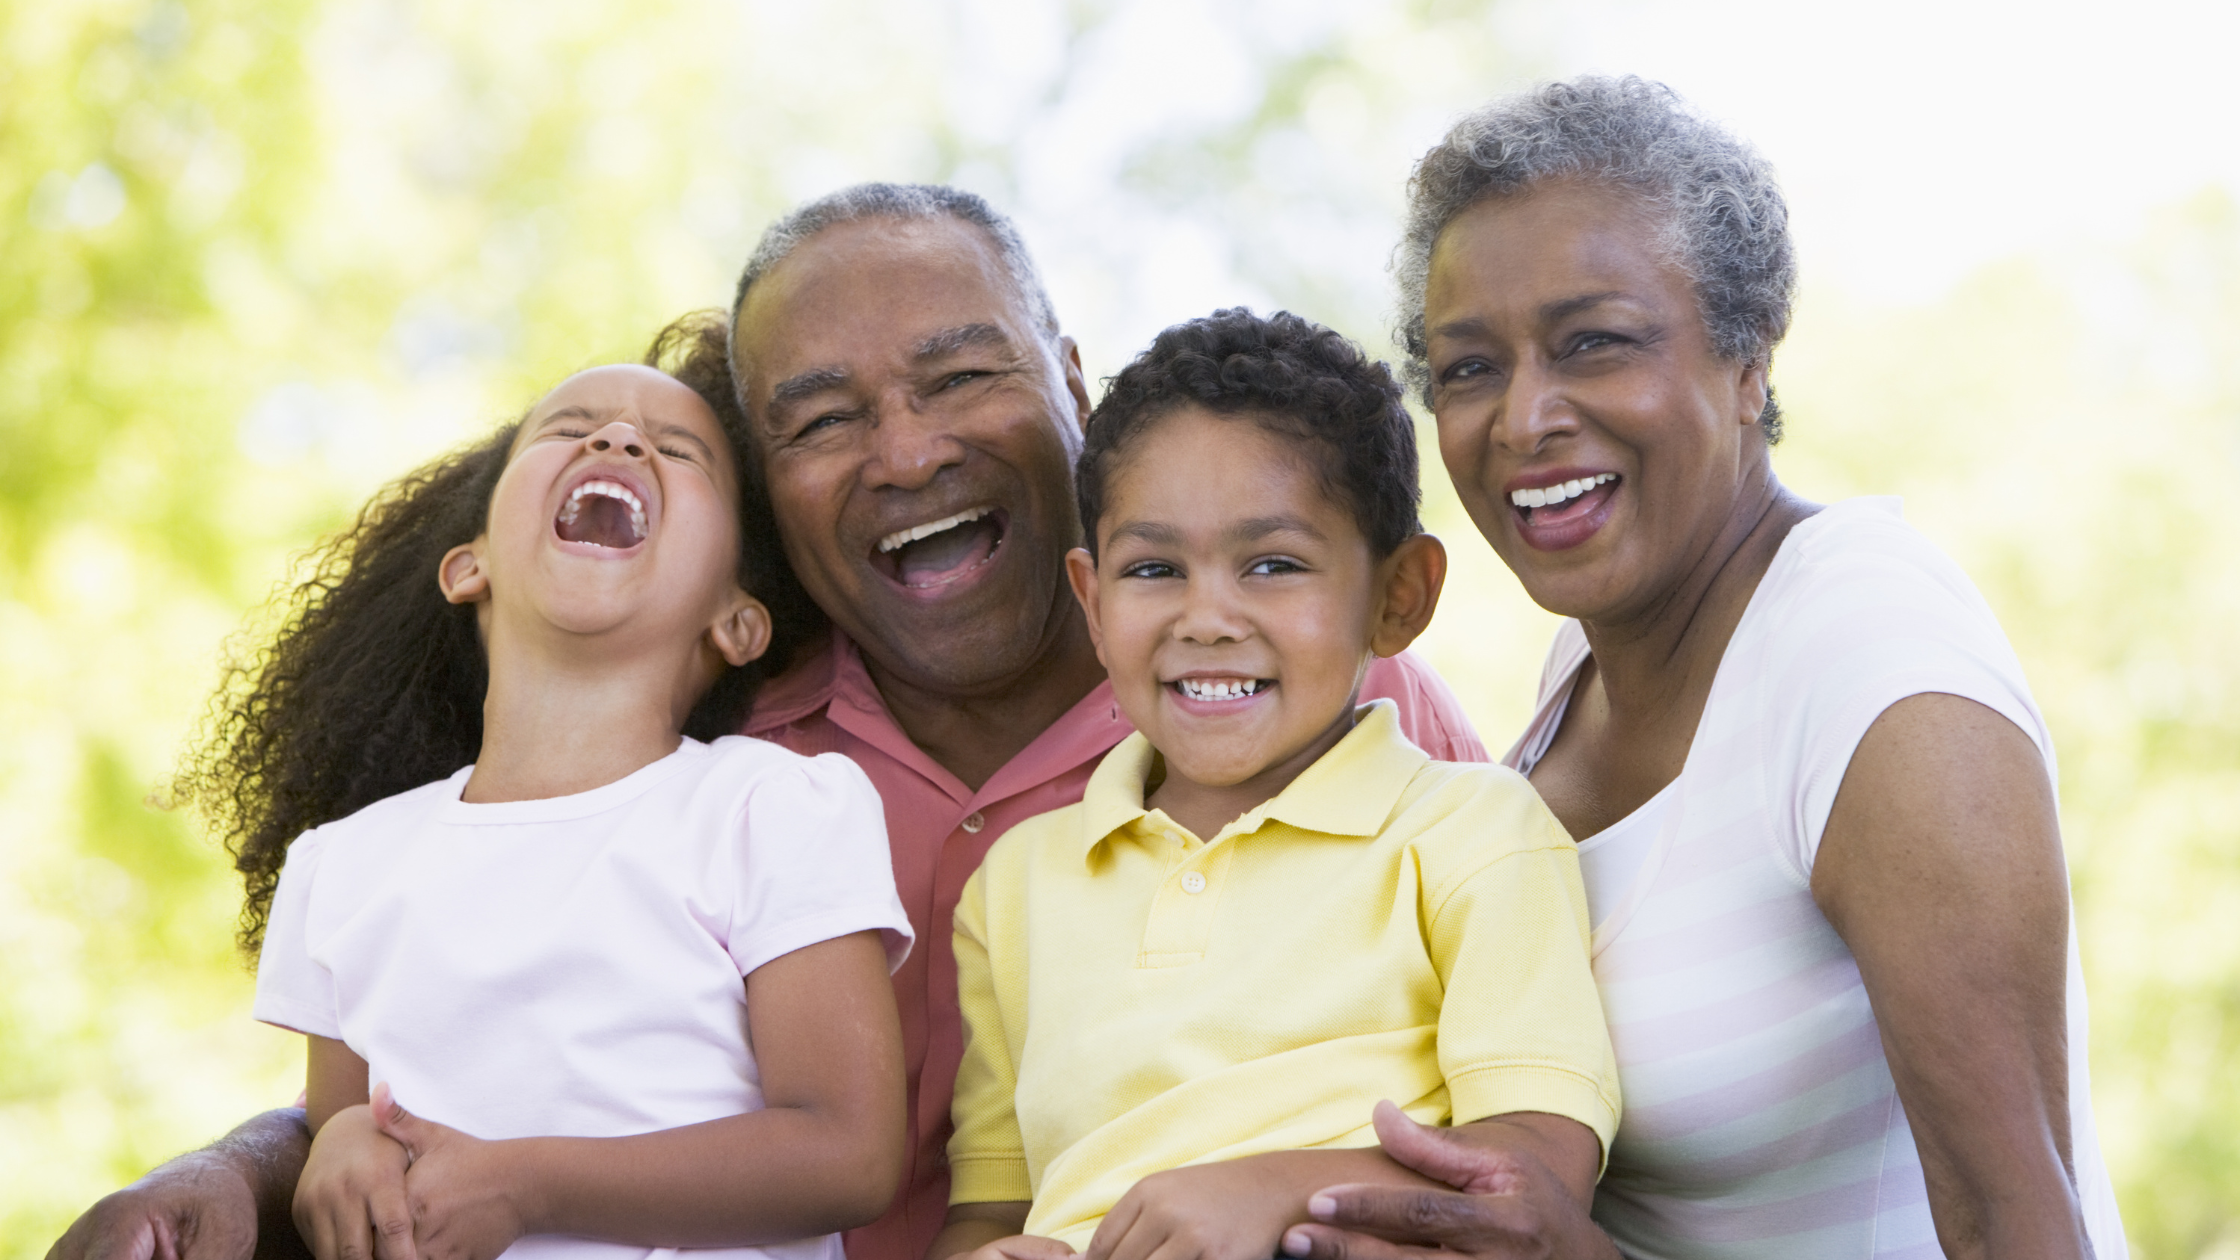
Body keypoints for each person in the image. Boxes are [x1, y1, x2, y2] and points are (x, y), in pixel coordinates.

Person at [49, 185, 1486, 1260]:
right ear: (763, 534)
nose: (908, 450)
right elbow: (431, 1078)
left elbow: (1534, 1080)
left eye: (960, 375)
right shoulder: (721, 760)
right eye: (819, 421)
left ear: (1071, 381)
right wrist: (235, 1172)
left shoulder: (1330, 707)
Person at [1280, 77, 2127, 1260]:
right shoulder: (1579, 665)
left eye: (1594, 344)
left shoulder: (1865, 653)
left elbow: (2018, 1232)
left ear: (1747, 363)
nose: (1523, 419)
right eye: (1468, 368)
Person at [203, 314, 913, 1260]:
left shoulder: (770, 808)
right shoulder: (342, 864)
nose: (616, 440)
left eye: (677, 450)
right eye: (567, 427)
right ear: (470, 566)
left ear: (737, 620)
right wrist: (338, 1145)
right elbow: (349, 1132)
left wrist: (525, 1186)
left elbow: (848, 1154)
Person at [927, 308, 1618, 1260]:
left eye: (1273, 564)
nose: (1207, 617)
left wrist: (1278, 1191)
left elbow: (1534, 1178)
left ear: (1397, 596)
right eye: (1155, 567)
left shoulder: (1473, 833)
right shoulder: (1015, 888)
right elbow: (993, 1212)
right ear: (1093, 601)